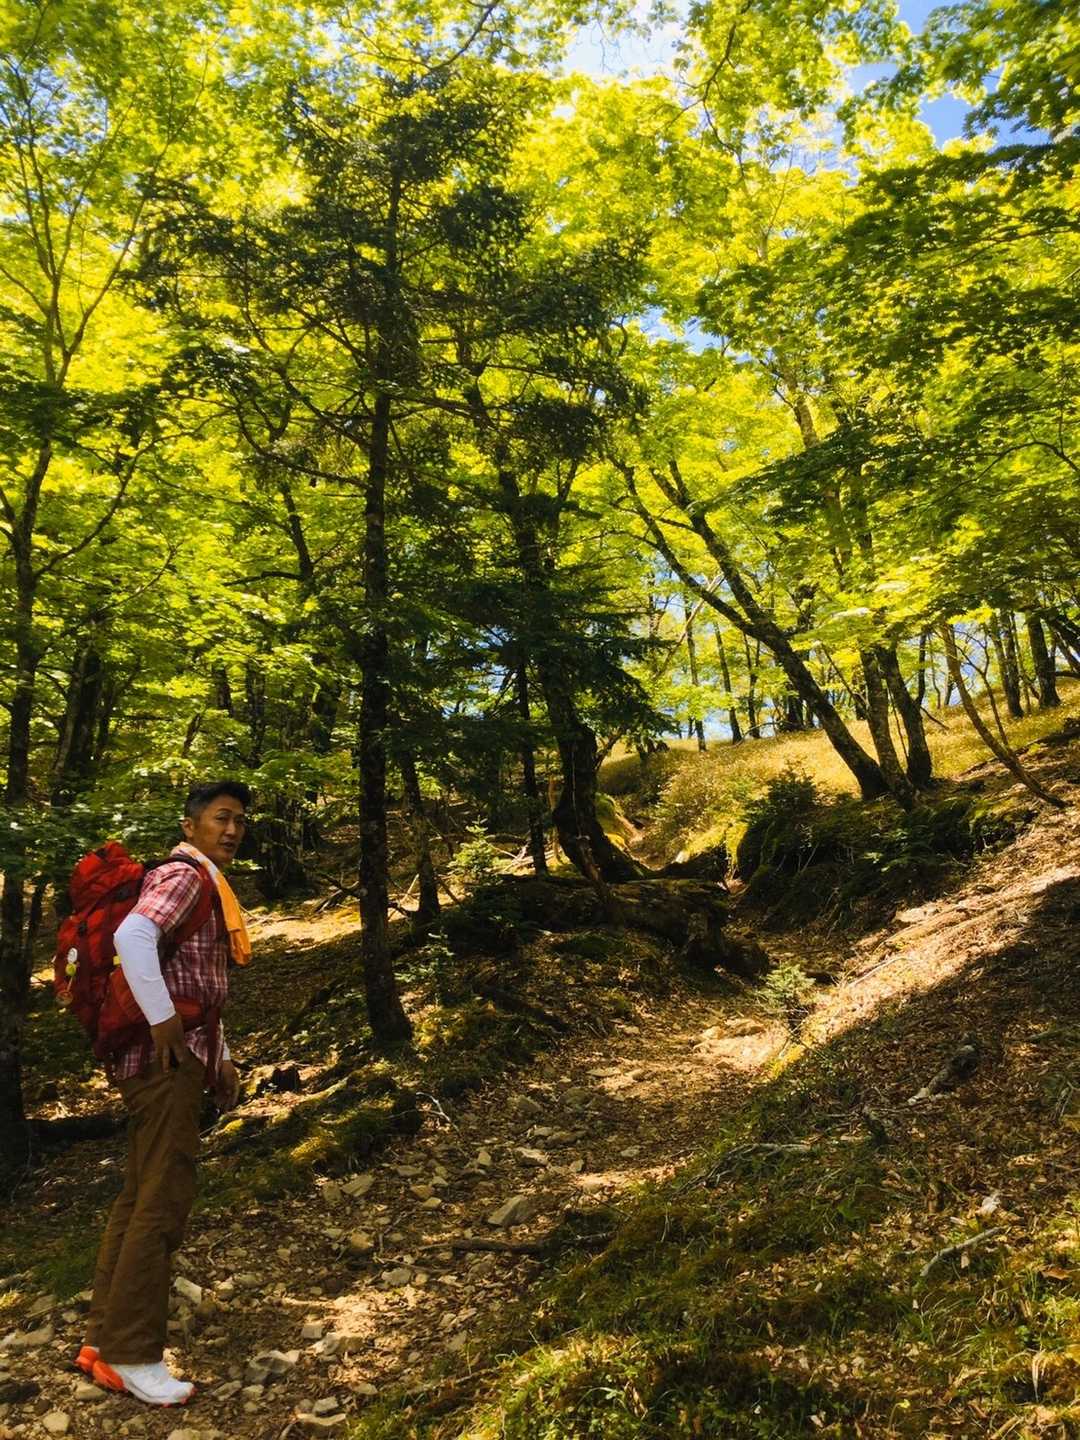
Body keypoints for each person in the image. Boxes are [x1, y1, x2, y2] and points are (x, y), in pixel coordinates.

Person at [75, 781, 253, 1406]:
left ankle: (102, 1342)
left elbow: (198, 981)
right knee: (162, 1201)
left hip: (175, 1060)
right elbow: (133, 938)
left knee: (137, 1197)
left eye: (239, 821)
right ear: (190, 825)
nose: (231, 830)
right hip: (164, 1065)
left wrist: (219, 1059)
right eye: (221, 818)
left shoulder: (203, 882)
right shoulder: (184, 876)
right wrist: (163, 1020)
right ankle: (133, 1354)